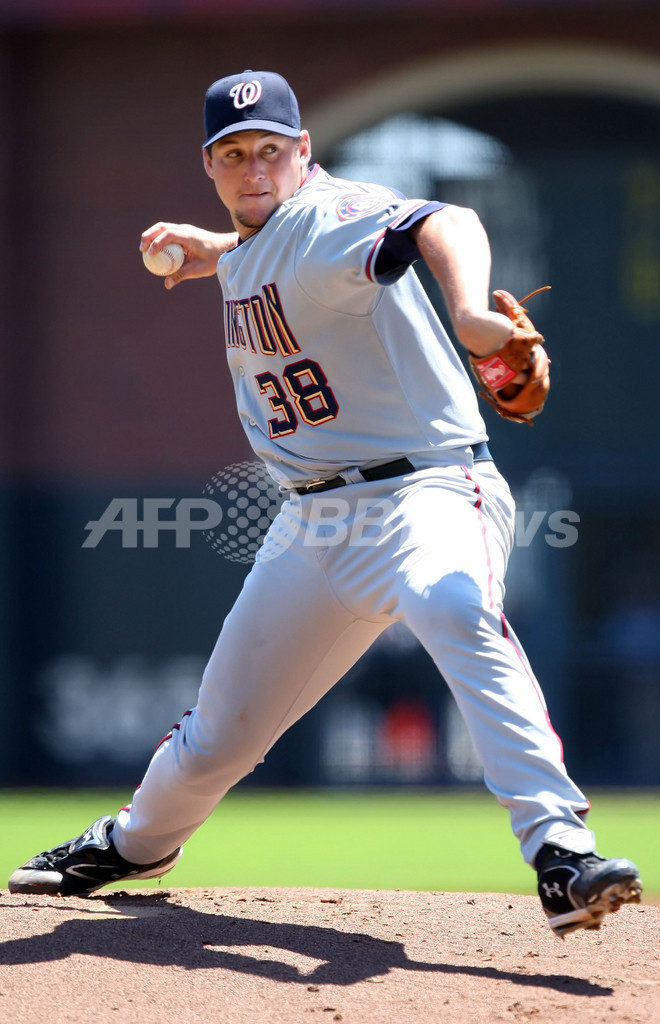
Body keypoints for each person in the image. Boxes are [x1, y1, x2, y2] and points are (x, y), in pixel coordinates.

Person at [9, 70, 641, 938]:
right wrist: (217, 250)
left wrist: (466, 311)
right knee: (222, 729)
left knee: (454, 605)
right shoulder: (257, 241)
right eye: (234, 153)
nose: (254, 167)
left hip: (424, 490)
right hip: (312, 522)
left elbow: (446, 220)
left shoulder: (334, 213)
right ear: (209, 165)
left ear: (303, 151)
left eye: (271, 149)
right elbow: (274, 252)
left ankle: (559, 848)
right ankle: (134, 844)